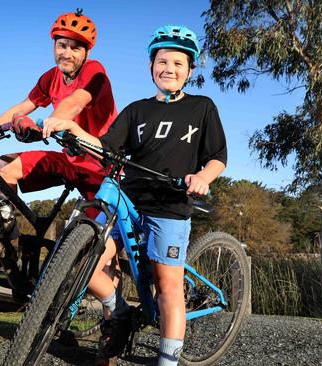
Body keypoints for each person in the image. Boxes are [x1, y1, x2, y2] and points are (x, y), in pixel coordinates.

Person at [43, 25, 227, 366]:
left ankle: (167, 360)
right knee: (90, 260)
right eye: (162, 61)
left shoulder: (201, 107)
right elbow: (106, 147)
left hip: (169, 205)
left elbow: (217, 156)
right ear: (150, 66)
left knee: (167, 283)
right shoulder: (136, 110)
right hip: (128, 199)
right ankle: (120, 311)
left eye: (177, 63)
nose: (169, 69)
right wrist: (74, 129)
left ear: (189, 70)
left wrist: (202, 176)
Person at [0, 9, 117, 284]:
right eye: (62, 45)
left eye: (75, 48)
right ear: (54, 46)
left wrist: (53, 121)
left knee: (95, 253)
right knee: (4, 166)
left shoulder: (94, 71)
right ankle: (4, 251)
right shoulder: (50, 77)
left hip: (101, 168)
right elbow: (21, 107)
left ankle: (113, 317)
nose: (67, 53)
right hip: (69, 161)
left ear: (86, 52)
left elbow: (76, 101)